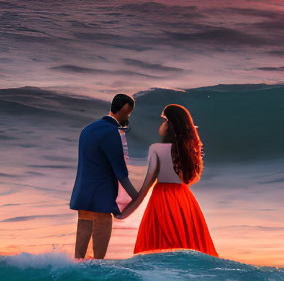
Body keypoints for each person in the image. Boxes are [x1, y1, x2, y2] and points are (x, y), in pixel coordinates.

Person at [117, 103, 218, 256]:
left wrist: (125, 213)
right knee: (187, 245)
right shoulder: (191, 150)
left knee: (159, 248)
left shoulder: (156, 149)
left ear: (170, 125)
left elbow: (145, 187)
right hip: (185, 201)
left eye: (164, 120)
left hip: (162, 200)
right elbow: (191, 179)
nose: (162, 124)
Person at [70, 93, 139, 259]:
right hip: (101, 196)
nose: (128, 117)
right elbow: (121, 173)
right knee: (98, 260)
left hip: (82, 194)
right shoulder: (111, 132)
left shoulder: (87, 129)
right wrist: (137, 198)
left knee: (78, 257)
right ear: (125, 109)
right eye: (129, 113)